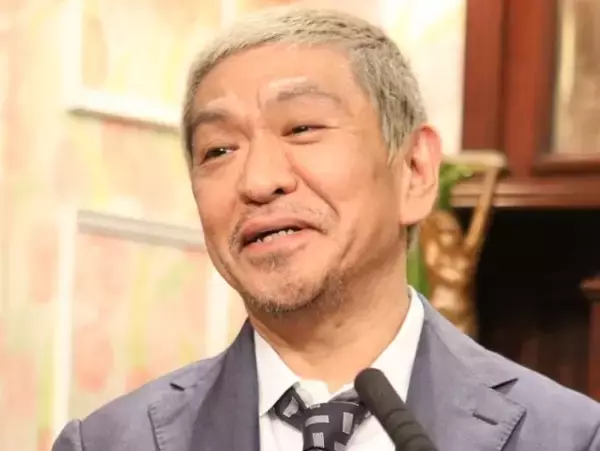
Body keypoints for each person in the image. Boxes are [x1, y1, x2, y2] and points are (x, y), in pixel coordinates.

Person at [53, 6, 600, 451]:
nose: (259, 181)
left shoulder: (568, 438)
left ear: (414, 170)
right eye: (218, 150)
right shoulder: (108, 443)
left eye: (302, 128)